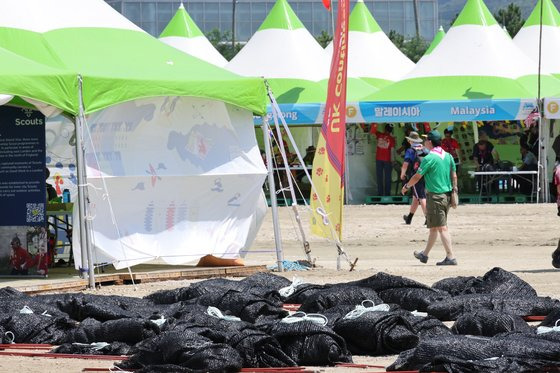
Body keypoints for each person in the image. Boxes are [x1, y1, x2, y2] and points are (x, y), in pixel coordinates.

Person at [402, 130, 458, 266]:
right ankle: (425, 254)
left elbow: (417, 176)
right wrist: (454, 191)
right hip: (447, 195)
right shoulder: (448, 156)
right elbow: (454, 175)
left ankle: (450, 257)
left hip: (435, 196)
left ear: (430, 142)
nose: (424, 142)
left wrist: (407, 186)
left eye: (426, 140)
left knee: (442, 227)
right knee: (434, 226)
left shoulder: (429, 158)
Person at [400, 131, 427, 225]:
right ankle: (409, 218)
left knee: (421, 197)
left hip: (415, 176)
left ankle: (428, 218)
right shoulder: (424, 149)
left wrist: (402, 174)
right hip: (425, 174)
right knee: (416, 197)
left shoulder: (410, 150)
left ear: (410, 140)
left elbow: (405, 164)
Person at [371, 123, 396, 196]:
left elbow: (372, 131)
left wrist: (375, 122)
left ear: (385, 129)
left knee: (379, 177)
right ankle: (387, 194)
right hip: (387, 160)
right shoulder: (392, 139)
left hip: (378, 159)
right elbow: (392, 150)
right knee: (387, 178)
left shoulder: (379, 135)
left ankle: (380, 194)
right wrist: (393, 161)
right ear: (391, 131)